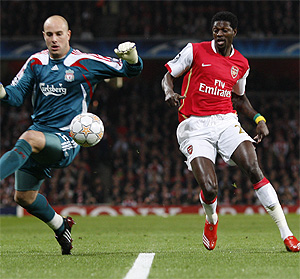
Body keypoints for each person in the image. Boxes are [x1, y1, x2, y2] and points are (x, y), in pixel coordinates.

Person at [0, 15, 143, 255]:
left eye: (58, 34)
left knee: (29, 138)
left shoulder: (85, 62)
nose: (54, 39)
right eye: (49, 34)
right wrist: (2, 92)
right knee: (23, 197)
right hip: (40, 137)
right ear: (43, 36)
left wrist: (132, 58)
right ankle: (60, 225)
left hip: (67, 138)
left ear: (69, 35)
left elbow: (129, 71)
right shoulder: (36, 62)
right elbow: (15, 96)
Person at [161, 11, 299, 252]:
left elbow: (239, 98)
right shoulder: (195, 50)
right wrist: (168, 92)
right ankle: (212, 220)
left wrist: (258, 118)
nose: (219, 34)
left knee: (253, 167)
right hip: (193, 125)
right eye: (215, 30)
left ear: (234, 32)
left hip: (226, 121)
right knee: (210, 187)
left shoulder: (241, 64)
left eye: (224, 30)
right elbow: (168, 76)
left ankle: (287, 234)